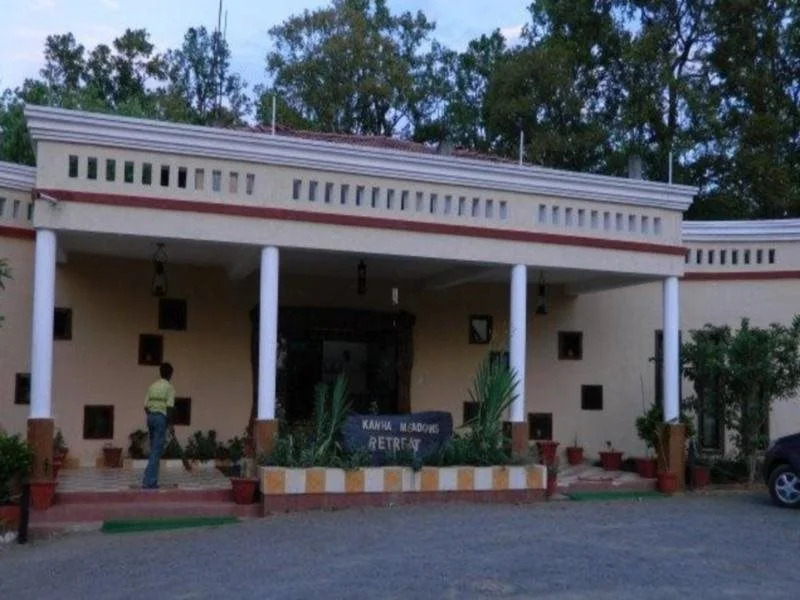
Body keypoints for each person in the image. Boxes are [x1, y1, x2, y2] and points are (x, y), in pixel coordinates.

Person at [142, 362, 175, 489]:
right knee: (156, 450)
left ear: (160, 373)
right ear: (170, 374)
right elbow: (169, 407)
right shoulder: (169, 388)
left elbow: (145, 405)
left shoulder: (152, 386)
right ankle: (149, 481)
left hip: (150, 417)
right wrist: (170, 424)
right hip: (161, 418)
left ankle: (148, 476)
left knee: (153, 450)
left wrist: (152, 415)